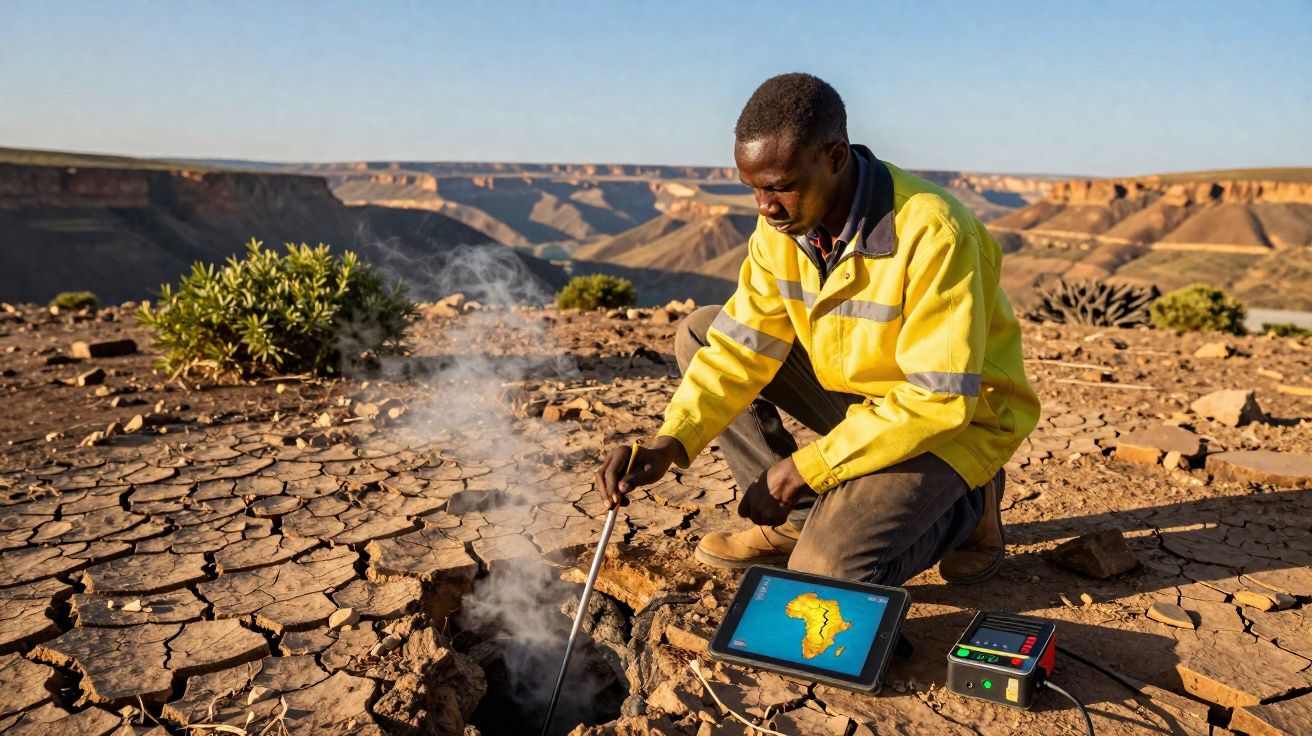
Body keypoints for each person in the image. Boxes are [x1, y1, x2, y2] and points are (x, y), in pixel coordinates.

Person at [597, 73, 1040, 586]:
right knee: (701, 333)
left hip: (953, 424)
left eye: (781, 186)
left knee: (826, 572)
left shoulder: (935, 232)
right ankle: (800, 523)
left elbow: (937, 402)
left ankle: (971, 504)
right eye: (755, 189)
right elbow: (740, 347)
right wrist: (670, 440)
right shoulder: (781, 228)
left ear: (835, 156)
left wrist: (806, 468)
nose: (765, 207)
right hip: (863, 402)